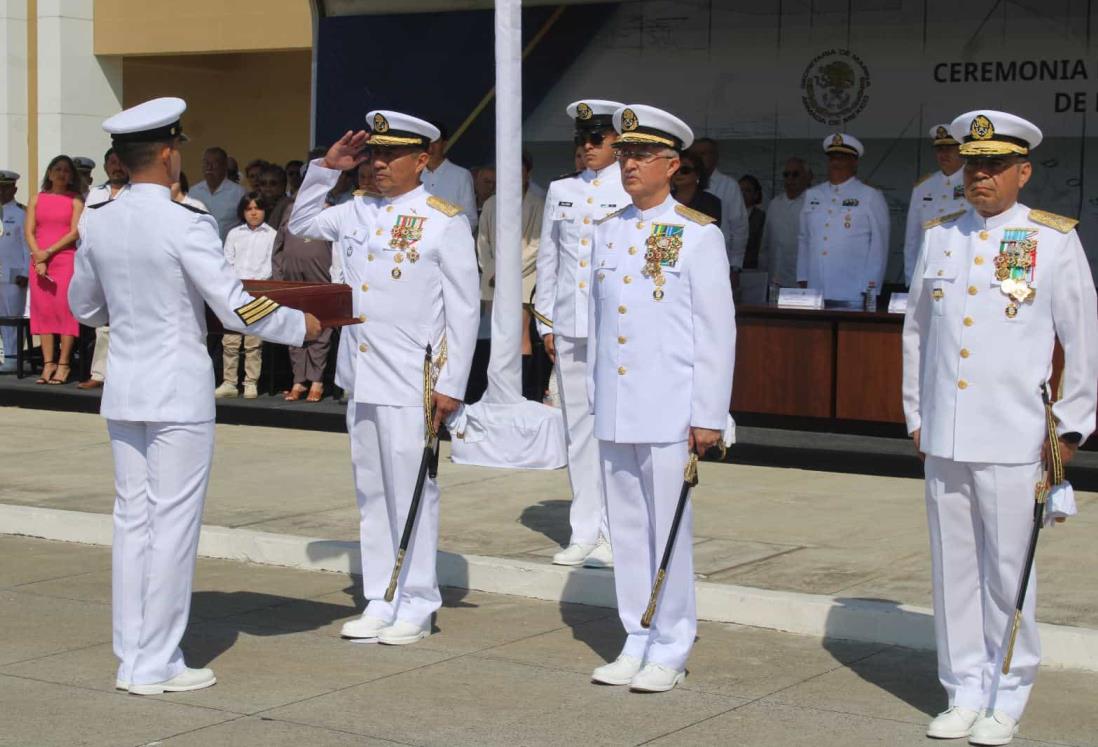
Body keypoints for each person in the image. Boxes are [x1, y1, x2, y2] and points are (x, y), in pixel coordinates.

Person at [69, 97, 319, 696]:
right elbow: (235, 303)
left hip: (126, 387)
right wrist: (299, 325)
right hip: (177, 390)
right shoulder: (187, 222)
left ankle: (133, 653)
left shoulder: (99, 217)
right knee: (173, 523)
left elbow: (86, 306)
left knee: (133, 521)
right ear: (166, 154)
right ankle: (157, 662)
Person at [903, 110, 1098, 746]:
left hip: (1014, 434)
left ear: (1022, 171)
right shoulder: (940, 236)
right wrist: (916, 414)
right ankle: (961, 688)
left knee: (1009, 571)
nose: (979, 175)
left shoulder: (1052, 240)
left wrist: (1069, 429)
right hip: (946, 434)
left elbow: (1083, 341)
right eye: (972, 163)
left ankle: (1006, 694)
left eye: (993, 166)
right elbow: (918, 336)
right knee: (953, 568)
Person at [289, 111, 479, 646]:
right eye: (373, 155)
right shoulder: (353, 211)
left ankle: (417, 599)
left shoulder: (444, 219)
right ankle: (381, 595)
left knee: (414, 490)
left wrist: (452, 383)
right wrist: (327, 170)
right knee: (372, 492)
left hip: (414, 378)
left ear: (422, 160)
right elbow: (300, 225)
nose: (377, 165)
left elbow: (464, 311)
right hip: (362, 373)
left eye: (390, 155)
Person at [588, 104, 734, 693]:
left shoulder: (699, 234)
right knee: (626, 529)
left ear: (672, 165)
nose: (629, 165)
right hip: (616, 404)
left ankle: (671, 643)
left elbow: (716, 330)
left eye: (642, 155)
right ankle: (636, 634)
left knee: (667, 527)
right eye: (624, 154)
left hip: (670, 406)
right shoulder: (606, 228)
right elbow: (601, 322)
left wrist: (708, 413)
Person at [533, 99, 630, 569]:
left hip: (612, 327)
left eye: (597, 139)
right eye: (582, 140)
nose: (588, 147)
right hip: (569, 325)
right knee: (577, 431)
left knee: (612, 429)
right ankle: (583, 529)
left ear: (617, 142)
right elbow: (551, 259)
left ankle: (615, 532)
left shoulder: (630, 188)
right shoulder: (561, 189)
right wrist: (545, 321)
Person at [477, 151, 544, 398]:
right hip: (494, 276)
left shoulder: (537, 203)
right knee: (498, 333)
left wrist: (510, 271)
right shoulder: (491, 203)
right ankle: (497, 386)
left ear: (528, 174)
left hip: (524, 276)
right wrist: (491, 269)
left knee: (520, 332)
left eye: (520, 171)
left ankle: (521, 391)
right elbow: (482, 241)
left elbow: (537, 244)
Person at [796, 133, 890, 304]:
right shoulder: (813, 194)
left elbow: (879, 245)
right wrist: (803, 276)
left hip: (852, 289)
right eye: (832, 158)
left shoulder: (870, 195)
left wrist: (870, 287)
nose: (836, 163)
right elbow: (804, 239)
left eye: (842, 158)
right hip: (816, 287)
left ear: (854, 162)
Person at [274, 158, 337, 403]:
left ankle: (317, 381)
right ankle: (298, 380)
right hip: (292, 277)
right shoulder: (290, 208)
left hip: (322, 276)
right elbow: (278, 244)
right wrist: (278, 275)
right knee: (295, 327)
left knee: (321, 328)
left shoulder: (332, 209)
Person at [26, 155, 84, 384]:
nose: (62, 173)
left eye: (66, 170)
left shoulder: (76, 200)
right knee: (43, 311)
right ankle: (48, 363)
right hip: (38, 260)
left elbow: (74, 232)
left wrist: (48, 253)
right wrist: (38, 256)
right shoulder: (36, 199)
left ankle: (64, 364)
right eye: (57, 169)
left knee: (64, 310)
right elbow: (29, 231)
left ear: (71, 176)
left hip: (63, 259)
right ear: (49, 173)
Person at [77, 148, 131, 390]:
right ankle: (99, 374)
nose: (117, 167)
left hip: (129, 265)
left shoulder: (136, 193)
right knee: (103, 323)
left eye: (121, 162)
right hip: (101, 264)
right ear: (106, 166)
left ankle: (126, 374)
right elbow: (84, 226)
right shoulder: (95, 194)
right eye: (112, 162)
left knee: (129, 321)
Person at [215, 193, 276, 400]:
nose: (253, 212)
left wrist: (256, 284)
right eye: (249, 208)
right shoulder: (234, 233)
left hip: (258, 293)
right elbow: (227, 260)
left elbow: (270, 263)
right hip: (235, 291)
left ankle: (250, 382)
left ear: (264, 210)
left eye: (257, 208)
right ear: (243, 211)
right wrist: (236, 284)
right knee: (230, 341)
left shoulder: (271, 234)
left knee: (253, 342)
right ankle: (229, 382)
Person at [904, 124, 968, 286]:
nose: (943, 154)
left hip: (961, 271)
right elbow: (912, 237)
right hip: (926, 271)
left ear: (962, 150)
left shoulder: (975, 181)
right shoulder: (923, 187)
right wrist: (911, 280)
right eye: (940, 149)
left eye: (950, 149)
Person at [687, 137, 749, 272]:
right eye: (695, 154)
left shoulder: (729, 185)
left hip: (719, 260)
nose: (699, 158)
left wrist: (735, 265)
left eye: (704, 153)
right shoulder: (680, 184)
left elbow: (739, 227)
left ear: (715, 156)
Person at [759, 157, 812, 288]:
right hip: (775, 280)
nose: (790, 179)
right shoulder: (775, 204)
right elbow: (765, 242)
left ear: (808, 177)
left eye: (795, 174)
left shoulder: (814, 204)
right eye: (786, 174)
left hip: (802, 282)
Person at [420, 120, 478, 231]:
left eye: (435, 142)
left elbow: (471, 220)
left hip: (448, 243)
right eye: (427, 142)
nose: (430, 148)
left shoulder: (461, 175)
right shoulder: (413, 176)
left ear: (444, 144)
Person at [0, 171, 29, 372]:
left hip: (13, 275)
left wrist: (27, 273)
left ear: (14, 189)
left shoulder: (21, 214)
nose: (1, 191)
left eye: (5, 187)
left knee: (11, 316)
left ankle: (12, 356)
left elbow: (28, 247)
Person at [189, 147, 246, 241]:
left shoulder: (239, 193)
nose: (209, 167)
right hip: (199, 251)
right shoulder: (194, 192)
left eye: (214, 163)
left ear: (224, 166)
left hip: (227, 252)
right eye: (206, 163)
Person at [670, 149, 721, 224]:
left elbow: (709, 227)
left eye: (685, 170)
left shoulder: (711, 202)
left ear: (697, 173)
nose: (678, 174)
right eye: (675, 170)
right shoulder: (663, 198)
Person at [739, 174, 765, 269]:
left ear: (756, 194)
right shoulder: (729, 213)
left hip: (751, 267)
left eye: (748, 190)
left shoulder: (761, 217)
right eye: (740, 190)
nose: (743, 193)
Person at [258, 164, 292, 230]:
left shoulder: (289, 205)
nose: (267, 187)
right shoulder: (257, 205)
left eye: (273, 183)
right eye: (263, 183)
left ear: (283, 185)